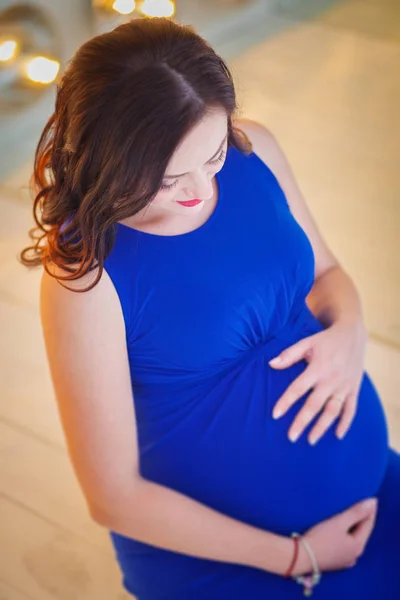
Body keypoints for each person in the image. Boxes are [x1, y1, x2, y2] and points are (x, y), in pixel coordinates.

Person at [21, 16, 400, 600]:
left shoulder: (257, 149)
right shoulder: (85, 278)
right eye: (170, 179)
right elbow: (113, 495)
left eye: (214, 154)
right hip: (240, 561)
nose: (201, 187)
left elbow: (327, 275)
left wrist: (350, 331)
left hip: (373, 489)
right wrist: (298, 556)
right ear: (107, 163)